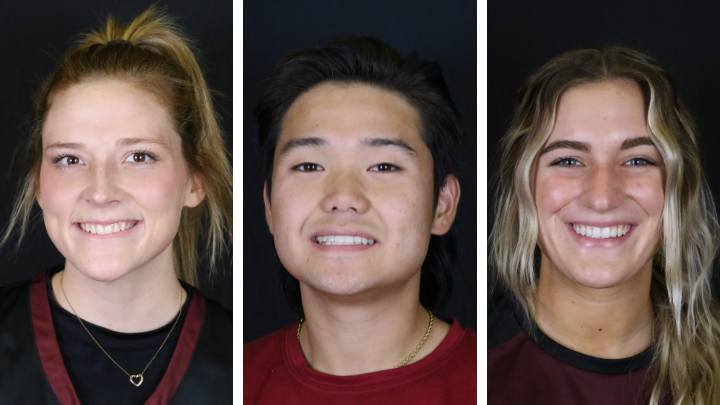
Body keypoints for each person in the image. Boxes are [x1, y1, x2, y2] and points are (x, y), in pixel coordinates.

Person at [0, 7, 233, 404]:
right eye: (70, 160)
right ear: (39, 183)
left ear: (195, 180)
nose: (101, 190)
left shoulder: (240, 366)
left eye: (139, 157)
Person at [243, 37, 476, 403]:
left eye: (383, 166)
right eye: (309, 165)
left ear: (442, 205)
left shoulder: (502, 382)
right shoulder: (228, 382)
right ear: (270, 206)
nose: (343, 198)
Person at [488, 45, 720, 404]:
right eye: (567, 160)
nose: (602, 197)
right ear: (523, 187)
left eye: (638, 159)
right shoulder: (470, 371)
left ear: (678, 188)